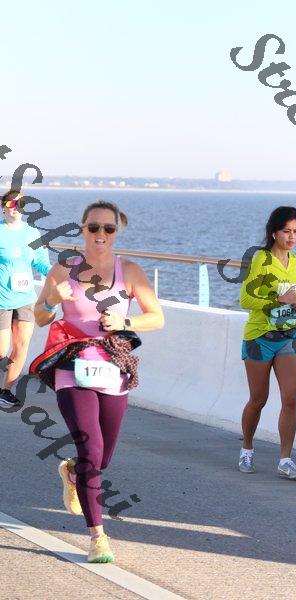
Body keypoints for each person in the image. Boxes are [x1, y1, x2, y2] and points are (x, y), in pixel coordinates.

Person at [34, 200, 164, 563]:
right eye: (94, 227)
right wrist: (51, 300)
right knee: (91, 451)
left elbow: (156, 317)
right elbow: (41, 317)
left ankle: (73, 472)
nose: (101, 234)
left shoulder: (130, 271)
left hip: (113, 369)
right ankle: (98, 537)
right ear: (83, 229)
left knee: (102, 457)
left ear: (116, 232)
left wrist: (125, 322)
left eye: (108, 228)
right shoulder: (64, 268)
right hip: (72, 367)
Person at [239, 206, 296, 480]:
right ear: (274, 233)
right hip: (259, 338)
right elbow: (245, 299)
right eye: (286, 231)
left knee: (290, 399)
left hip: (288, 337)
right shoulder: (261, 260)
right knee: (258, 400)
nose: (292, 237)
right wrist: (277, 300)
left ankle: (286, 460)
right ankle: (246, 449)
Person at [0, 190, 51, 407]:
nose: (15, 207)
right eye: (10, 203)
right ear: (3, 207)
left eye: (20, 203)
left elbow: (40, 261)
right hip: (1, 300)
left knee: (21, 346)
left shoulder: (31, 232)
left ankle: (5, 391)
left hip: (25, 298)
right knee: (1, 351)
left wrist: (57, 275)